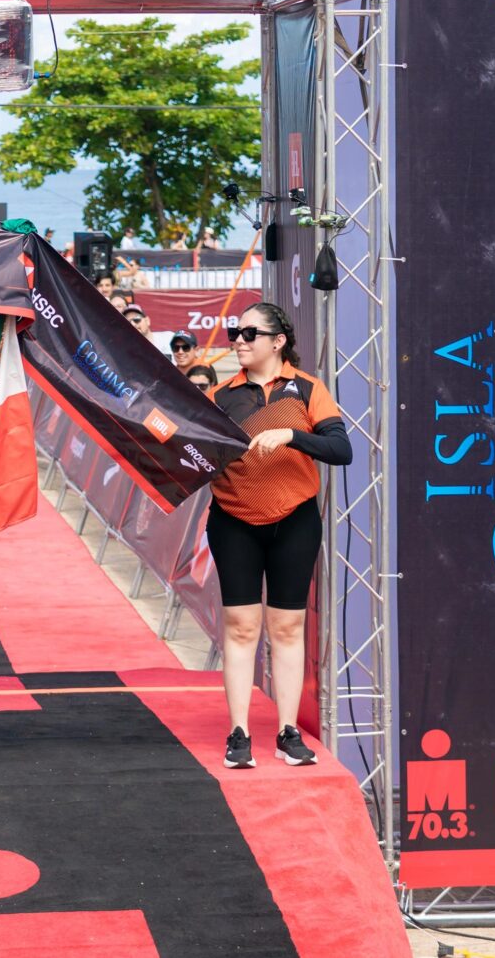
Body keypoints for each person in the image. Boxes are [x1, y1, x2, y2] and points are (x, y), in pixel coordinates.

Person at [203, 302, 351, 770]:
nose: (238, 341)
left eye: (250, 333)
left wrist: (291, 435)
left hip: (294, 521)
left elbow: (341, 449)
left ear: (278, 341)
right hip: (233, 520)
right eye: (235, 332)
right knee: (241, 626)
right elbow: (195, 455)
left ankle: (288, 732)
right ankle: (239, 733)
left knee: (287, 628)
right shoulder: (220, 395)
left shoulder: (307, 389)